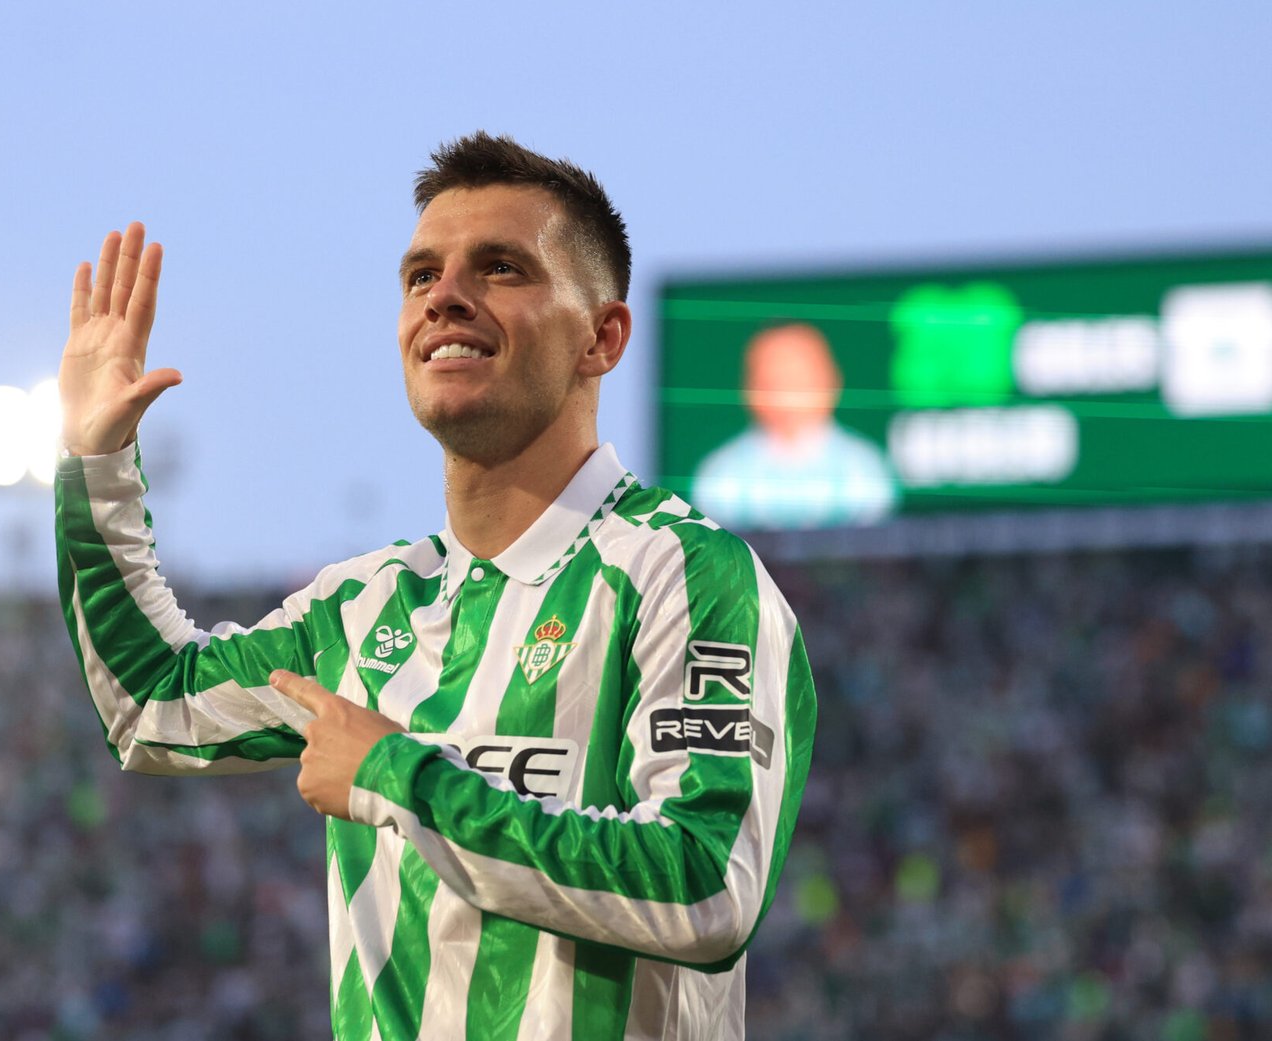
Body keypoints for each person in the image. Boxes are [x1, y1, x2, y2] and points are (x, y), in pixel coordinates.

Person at [54, 132, 816, 1040]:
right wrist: (95, 460)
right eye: (421, 276)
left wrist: (396, 772)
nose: (445, 296)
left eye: (500, 269)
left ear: (601, 337)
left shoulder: (679, 572)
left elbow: (706, 886)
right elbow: (152, 702)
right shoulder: (365, 606)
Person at [691, 321, 898, 531]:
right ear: (748, 389)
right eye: (773, 381)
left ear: (832, 380)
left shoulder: (865, 467)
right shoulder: (720, 473)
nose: (787, 394)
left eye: (799, 378)